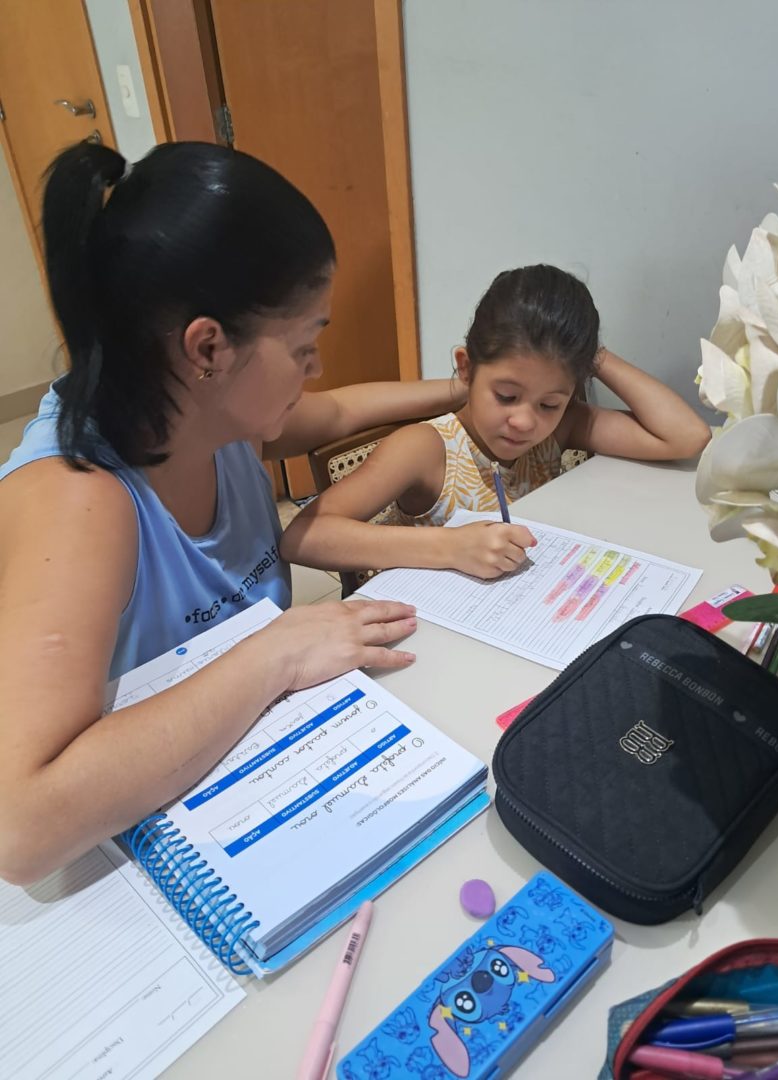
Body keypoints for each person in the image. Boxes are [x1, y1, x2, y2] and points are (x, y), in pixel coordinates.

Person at [0, 141, 467, 884]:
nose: (316, 367)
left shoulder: (211, 416)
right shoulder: (78, 499)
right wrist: (277, 653)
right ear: (209, 348)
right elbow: (21, 831)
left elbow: (340, 410)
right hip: (137, 863)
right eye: (306, 345)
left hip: (255, 777)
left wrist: (462, 391)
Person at [281, 264, 710, 579]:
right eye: (506, 396)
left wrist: (590, 354)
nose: (524, 421)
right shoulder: (427, 449)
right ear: (466, 369)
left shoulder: (562, 428)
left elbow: (686, 438)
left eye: (549, 404)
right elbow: (303, 537)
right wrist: (449, 547)